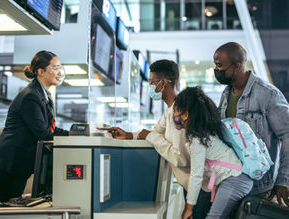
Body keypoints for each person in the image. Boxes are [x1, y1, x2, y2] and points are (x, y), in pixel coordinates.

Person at [110, 59, 211, 218]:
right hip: (193, 188)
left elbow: (181, 159)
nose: (150, 87)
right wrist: (129, 135)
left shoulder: (180, 113)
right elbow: (155, 131)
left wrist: (151, 136)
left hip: (201, 190)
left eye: (152, 82)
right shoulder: (170, 110)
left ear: (163, 83)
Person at [214, 42, 289, 207]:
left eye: (220, 65)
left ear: (237, 66)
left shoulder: (268, 94)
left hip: (260, 188)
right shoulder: (226, 95)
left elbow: (287, 135)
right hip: (229, 181)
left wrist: (284, 180)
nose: (216, 70)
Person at [0, 50, 69, 203]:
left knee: (11, 203)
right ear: (41, 71)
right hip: (9, 163)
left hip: (18, 164)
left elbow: (50, 129)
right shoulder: (31, 96)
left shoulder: (42, 95)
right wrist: (71, 139)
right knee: (5, 206)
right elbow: (43, 134)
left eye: (60, 67)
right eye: (55, 68)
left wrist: (75, 135)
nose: (59, 72)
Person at [173, 86, 253, 219]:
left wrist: (189, 207)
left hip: (235, 180)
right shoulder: (204, 133)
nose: (174, 116)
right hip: (234, 179)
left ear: (186, 115)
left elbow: (196, 175)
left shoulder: (197, 139)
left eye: (175, 111)